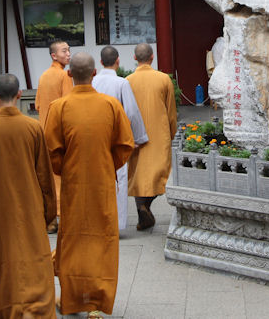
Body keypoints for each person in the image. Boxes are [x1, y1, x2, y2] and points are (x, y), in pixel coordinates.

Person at [44, 52, 135, 318]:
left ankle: (73, 299)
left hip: (73, 187)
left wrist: (70, 168)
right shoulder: (110, 105)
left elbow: (51, 153)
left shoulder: (59, 107)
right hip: (103, 185)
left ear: (69, 74)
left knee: (73, 240)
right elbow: (125, 145)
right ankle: (95, 303)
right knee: (102, 240)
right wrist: (106, 165)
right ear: (94, 74)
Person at [0, 73, 57, 319]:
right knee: (35, 260)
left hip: (1, 212)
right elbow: (45, 177)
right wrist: (48, 211)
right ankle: (37, 309)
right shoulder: (33, 128)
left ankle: (9, 309)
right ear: (20, 94)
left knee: (5, 261)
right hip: (31, 211)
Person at [92, 45, 149, 231]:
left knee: (96, 180)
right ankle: (117, 224)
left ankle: (97, 222)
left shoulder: (90, 82)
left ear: (100, 62)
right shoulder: (121, 83)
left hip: (93, 138)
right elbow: (131, 113)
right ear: (117, 61)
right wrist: (138, 137)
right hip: (115, 138)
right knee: (119, 179)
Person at [125, 42, 177, 231]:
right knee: (160, 173)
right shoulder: (163, 79)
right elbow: (171, 109)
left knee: (139, 174)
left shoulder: (128, 80)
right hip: (159, 132)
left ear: (134, 58)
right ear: (152, 57)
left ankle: (142, 208)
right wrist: (173, 132)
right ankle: (145, 206)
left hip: (136, 135)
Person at [35, 39, 72, 233]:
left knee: (46, 178)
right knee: (60, 177)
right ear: (54, 55)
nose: (68, 54)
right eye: (64, 51)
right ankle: (60, 216)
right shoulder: (64, 75)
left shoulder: (43, 76)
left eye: (68, 51)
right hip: (60, 133)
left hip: (43, 133)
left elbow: (39, 105)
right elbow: (69, 105)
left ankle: (49, 220)